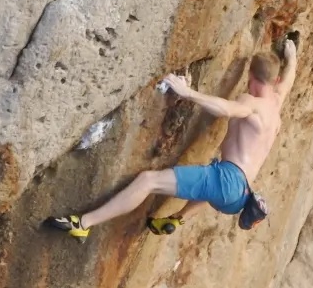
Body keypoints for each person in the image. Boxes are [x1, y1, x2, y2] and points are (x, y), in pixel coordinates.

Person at [44, 34, 299, 237]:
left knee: (148, 181)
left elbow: (227, 109)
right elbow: (290, 76)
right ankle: (177, 219)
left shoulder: (250, 103)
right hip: (239, 198)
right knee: (210, 183)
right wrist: (292, 54)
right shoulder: (276, 104)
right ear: (274, 79)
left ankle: (83, 223)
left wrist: (188, 93)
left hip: (226, 182)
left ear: (251, 77)